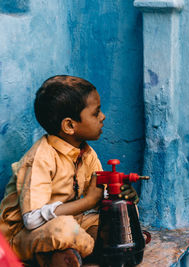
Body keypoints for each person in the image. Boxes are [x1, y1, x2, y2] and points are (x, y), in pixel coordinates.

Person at [0, 75, 138, 266]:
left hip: (73, 220)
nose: (103, 116)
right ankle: (87, 251)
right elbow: (31, 220)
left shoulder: (87, 153)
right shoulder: (40, 158)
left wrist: (120, 198)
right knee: (64, 230)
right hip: (23, 234)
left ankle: (70, 253)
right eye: (96, 113)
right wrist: (88, 202)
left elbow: (99, 198)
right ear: (69, 125)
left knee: (121, 216)